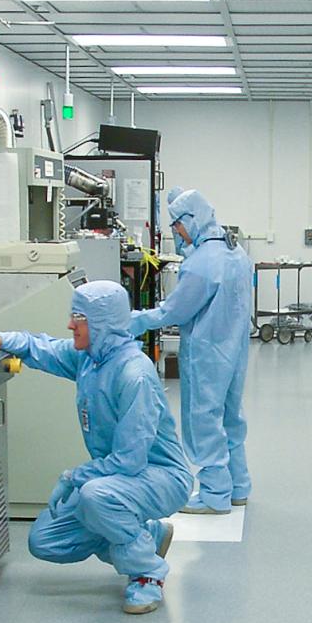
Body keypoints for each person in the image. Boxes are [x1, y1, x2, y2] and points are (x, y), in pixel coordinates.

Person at [0, 280, 192, 615]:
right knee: (45, 540)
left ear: (100, 323)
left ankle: (147, 573)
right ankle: (147, 537)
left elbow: (130, 461)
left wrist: (74, 477)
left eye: (78, 317)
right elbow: (39, 348)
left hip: (160, 476)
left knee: (95, 497)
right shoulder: (91, 359)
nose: (70, 324)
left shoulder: (134, 375)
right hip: (114, 478)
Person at [130, 189, 252, 516]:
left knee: (203, 418)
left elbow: (175, 311)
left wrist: (135, 320)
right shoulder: (235, 251)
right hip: (235, 350)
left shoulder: (201, 263)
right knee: (230, 415)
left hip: (208, 352)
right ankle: (238, 486)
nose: (177, 232)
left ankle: (215, 493)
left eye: (178, 225)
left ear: (192, 219)